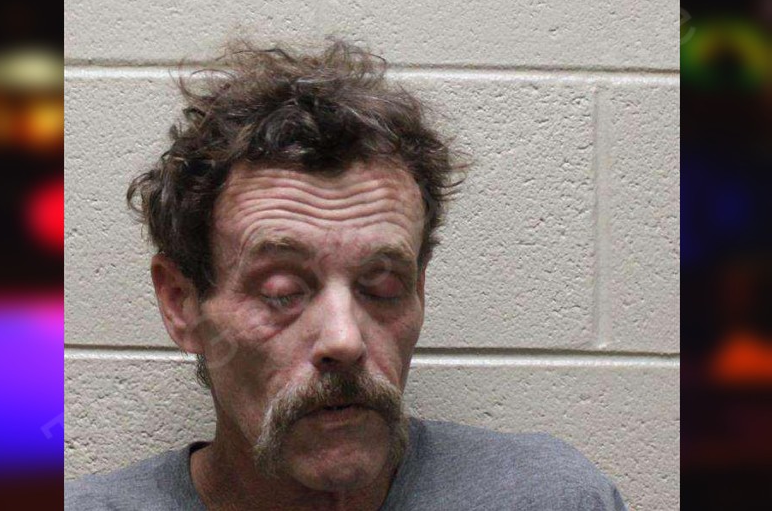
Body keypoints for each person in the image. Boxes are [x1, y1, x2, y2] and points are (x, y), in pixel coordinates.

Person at [65, 39, 627, 510]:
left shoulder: (547, 498)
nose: (344, 340)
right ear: (182, 304)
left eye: (383, 287)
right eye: (281, 292)